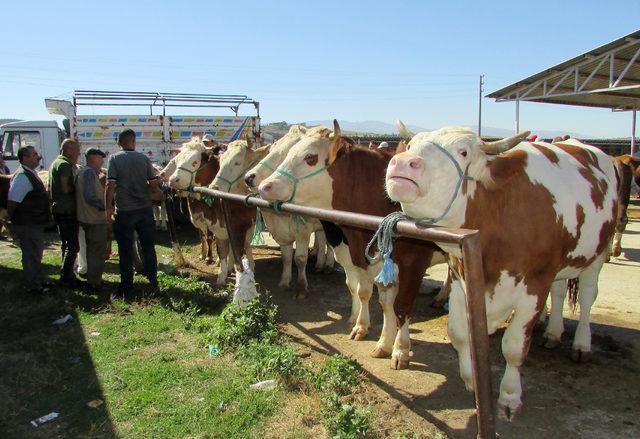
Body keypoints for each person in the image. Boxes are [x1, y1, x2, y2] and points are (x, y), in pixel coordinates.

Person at [105, 129, 160, 296]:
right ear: (134, 142)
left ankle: (126, 286)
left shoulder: (114, 159)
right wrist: (156, 190)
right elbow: (153, 184)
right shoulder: (144, 159)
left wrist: (108, 206)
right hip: (144, 209)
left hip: (124, 211)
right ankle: (153, 280)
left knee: (125, 249)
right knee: (149, 247)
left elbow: (110, 185)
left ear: (119, 144)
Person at [6, 146, 51, 294]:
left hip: (33, 222)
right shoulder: (22, 176)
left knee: (35, 253)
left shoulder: (30, 173)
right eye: (34, 155)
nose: (38, 157)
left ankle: (36, 280)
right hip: (27, 222)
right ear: (25, 158)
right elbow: (13, 201)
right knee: (31, 253)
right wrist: (12, 219)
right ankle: (32, 285)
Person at [49, 139, 82, 286]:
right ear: (69, 150)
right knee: (73, 245)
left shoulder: (55, 163)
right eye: (77, 151)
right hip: (67, 209)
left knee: (65, 244)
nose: (78, 154)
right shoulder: (64, 165)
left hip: (58, 209)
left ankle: (67, 273)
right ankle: (66, 276)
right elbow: (65, 188)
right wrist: (79, 188)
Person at [76, 148, 109, 292]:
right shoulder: (89, 172)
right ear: (93, 158)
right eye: (100, 158)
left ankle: (93, 279)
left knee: (92, 249)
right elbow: (90, 196)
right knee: (97, 250)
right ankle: (94, 283)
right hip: (93, 218)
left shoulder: (83, 172)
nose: (102, 161)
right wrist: (104, 207)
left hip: (86, 217)